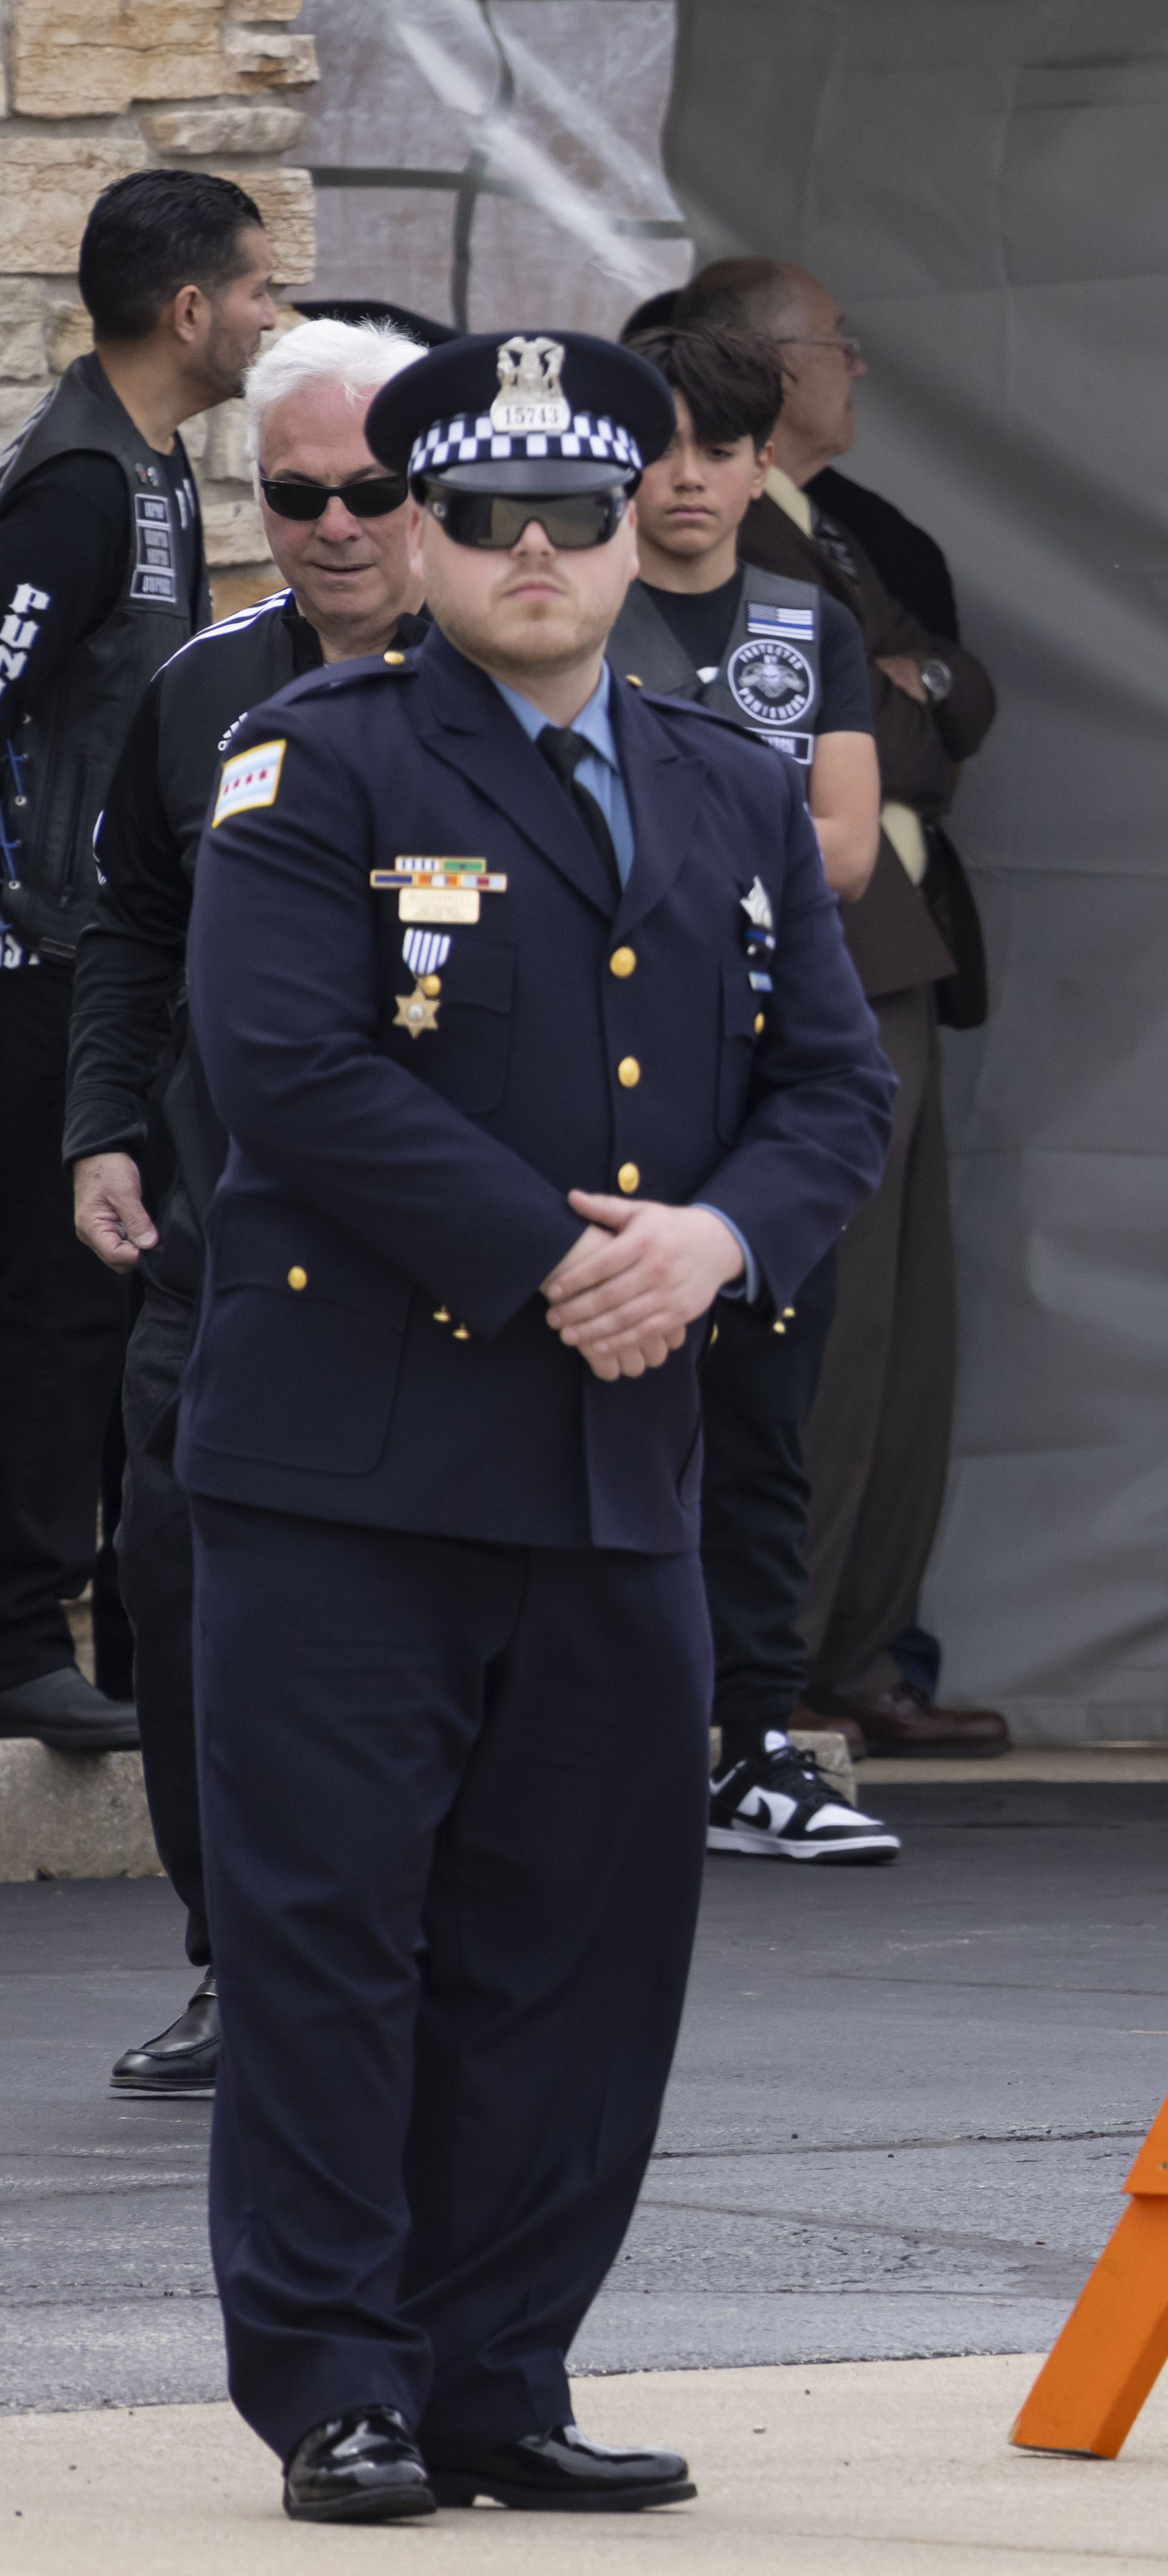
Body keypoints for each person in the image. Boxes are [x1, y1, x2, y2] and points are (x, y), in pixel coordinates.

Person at [179, 328, 892, 2520]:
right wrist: (556, 1252)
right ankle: (340, 2377)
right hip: (355, 1463)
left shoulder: (725, 778)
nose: (533, 555)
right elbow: (290, 1069)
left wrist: (712, 1247)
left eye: (574, 515)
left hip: (617, 1462)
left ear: (628, 532)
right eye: (480, 517)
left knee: (579, 1941)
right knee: (334, 1933)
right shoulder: (317, 764)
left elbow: (834, 1085)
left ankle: (500, 2363)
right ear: (419, 530)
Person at [64, 316, 429, 2098]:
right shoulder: (201, 687)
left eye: (374, 490)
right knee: (184, 1606)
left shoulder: (533, 691)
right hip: (220, 1251)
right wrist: (101, 1131)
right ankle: (242, 1968)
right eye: (299, 494)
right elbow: (127, 925)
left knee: (423, 1635)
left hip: (448, 1271)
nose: (338, 524)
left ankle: (416, 1963)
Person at [672, 254, 1008, 1759]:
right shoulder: (728, 558)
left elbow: (961, 706)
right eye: (835, 350)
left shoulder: (843, 538)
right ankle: (778, 1665)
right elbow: (903, 748)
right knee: (823, 1318)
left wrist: (911, 687)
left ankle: (853, 1650)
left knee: (899, 1333)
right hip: (802, 969)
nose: (856, 370)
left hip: (895, 956)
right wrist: (907, 703)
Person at [614, 318, 903, 1862]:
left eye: (719, 450)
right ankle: (614, 1728)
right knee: (607, 1405)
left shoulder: (810, 616)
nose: (687, 481)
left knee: (766, 1416)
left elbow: (847, 847)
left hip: (771, 1061)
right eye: (659, 448)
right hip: (605, 1064)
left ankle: (760, 1737)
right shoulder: (571, 612)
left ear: (762, 461)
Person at [0, 169, 274, 1756]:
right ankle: (21, 1632)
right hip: (43, 960)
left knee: (96, 1303)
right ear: (188, 310)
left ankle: (100, 1628)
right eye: (254, 290)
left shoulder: (154, 463)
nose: (266, 316)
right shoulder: (82, 486)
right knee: (51, 1297)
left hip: (108, 944)